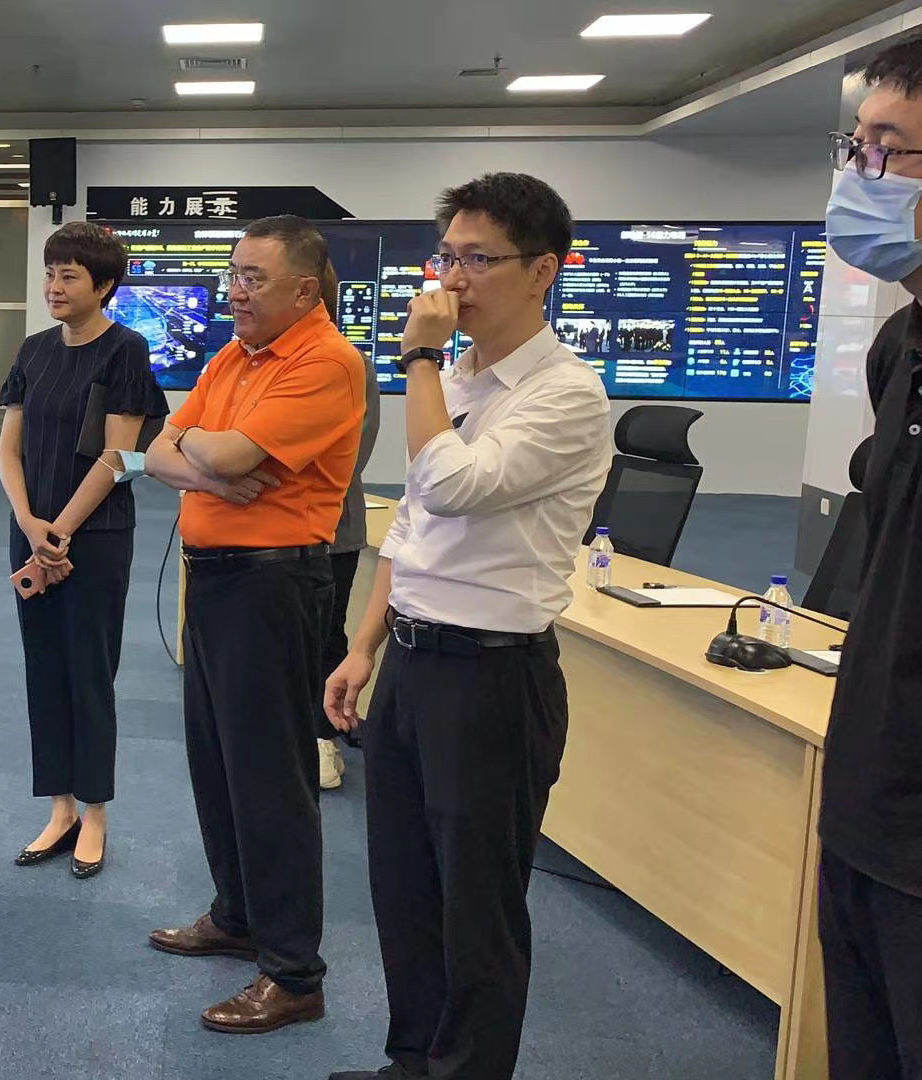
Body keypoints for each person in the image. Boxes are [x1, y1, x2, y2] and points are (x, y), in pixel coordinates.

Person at [323, 173, 610, 1080]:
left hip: (493, 678)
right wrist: (363, 646)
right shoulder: (456, 379)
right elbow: (411, 529)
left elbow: (449, 484)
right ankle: (412, 1064)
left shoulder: (565, 394)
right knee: (405, 891)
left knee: (477, 910)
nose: (452, 278)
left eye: (478, 259)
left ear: (543, 271)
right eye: (447, 257)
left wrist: (416, 358)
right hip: (412, 663)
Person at [143, 215, 367, 1035]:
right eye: (233, 274)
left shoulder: (327, 362)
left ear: (304, 290)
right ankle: (238, 916)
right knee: (216, 763)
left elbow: (230, 457)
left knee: (271, 778)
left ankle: (294, 973)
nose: (234, 291)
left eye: (253, 278)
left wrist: (201, 452)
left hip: (275, 586)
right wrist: (204, 463)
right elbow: (157, 453)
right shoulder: (236, 355)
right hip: (214, 581)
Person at [0, 221, 169, 879]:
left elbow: (120, 457)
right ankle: (60, 808)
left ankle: (95, 812)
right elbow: (8, 449)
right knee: (43, 669)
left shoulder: (125, 349)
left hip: (93, 538)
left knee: (89, 673)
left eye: (69, 275)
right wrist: (29, 524)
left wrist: (60, 532)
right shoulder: (34, 350)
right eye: (50, 273)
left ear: (104, 286)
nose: (54, 286)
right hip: (32, 532)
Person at [815, 36, 922, 1078]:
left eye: (889, 149)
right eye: (859, 147)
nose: (863, 176)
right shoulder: (900, 347)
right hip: (864, 795)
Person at [317, 254, 383, 792]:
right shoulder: (247, 360)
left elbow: (347, 461)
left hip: (329, 533)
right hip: (260, 537)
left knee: (322, 633)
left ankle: (322, 736)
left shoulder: (348, 364)